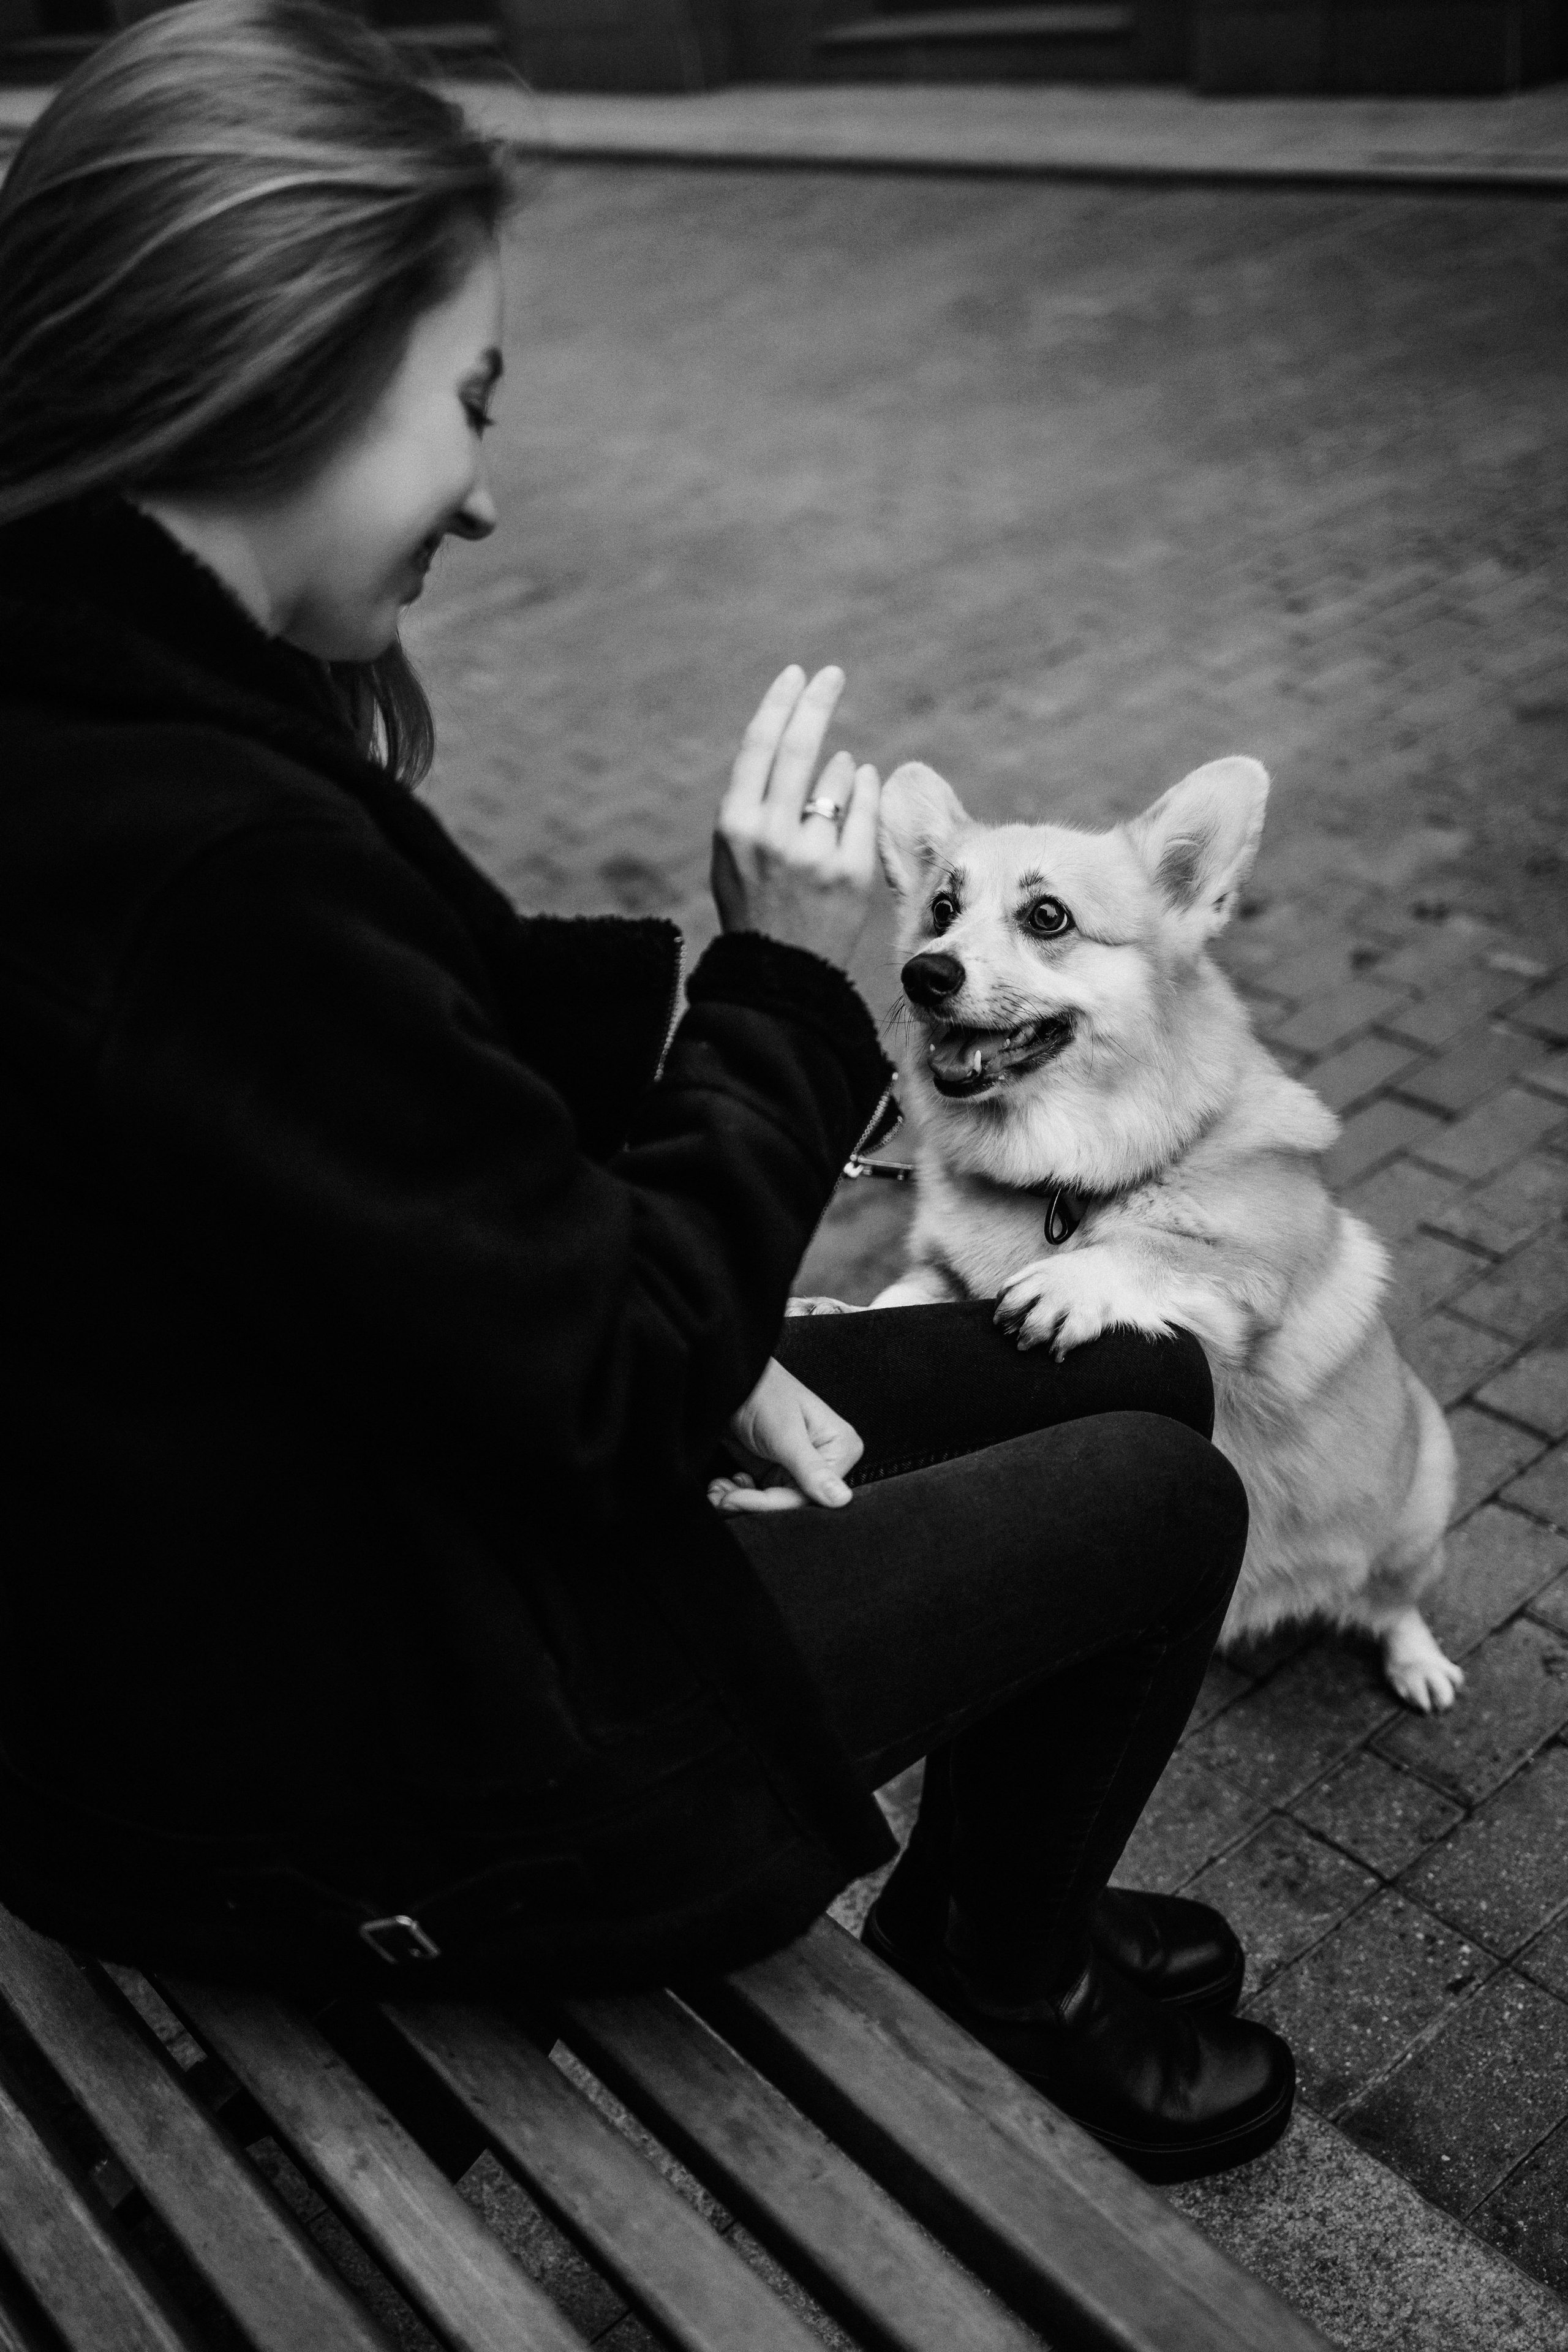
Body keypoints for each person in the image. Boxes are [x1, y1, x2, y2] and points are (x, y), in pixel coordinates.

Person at [0, 0, 1294, 2182]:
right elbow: (595, 1371)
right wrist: (782, 987)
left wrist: (686, 1320)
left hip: (290, 1580)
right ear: (274, 366)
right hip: (369, 1770)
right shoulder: (200, 858)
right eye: (465, 403)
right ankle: (1002, 1971)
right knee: (1169, 1501)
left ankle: (1006, 1897)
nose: (490, 496)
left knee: (1131, 1385)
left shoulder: (99, 709)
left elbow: (362, 1148)